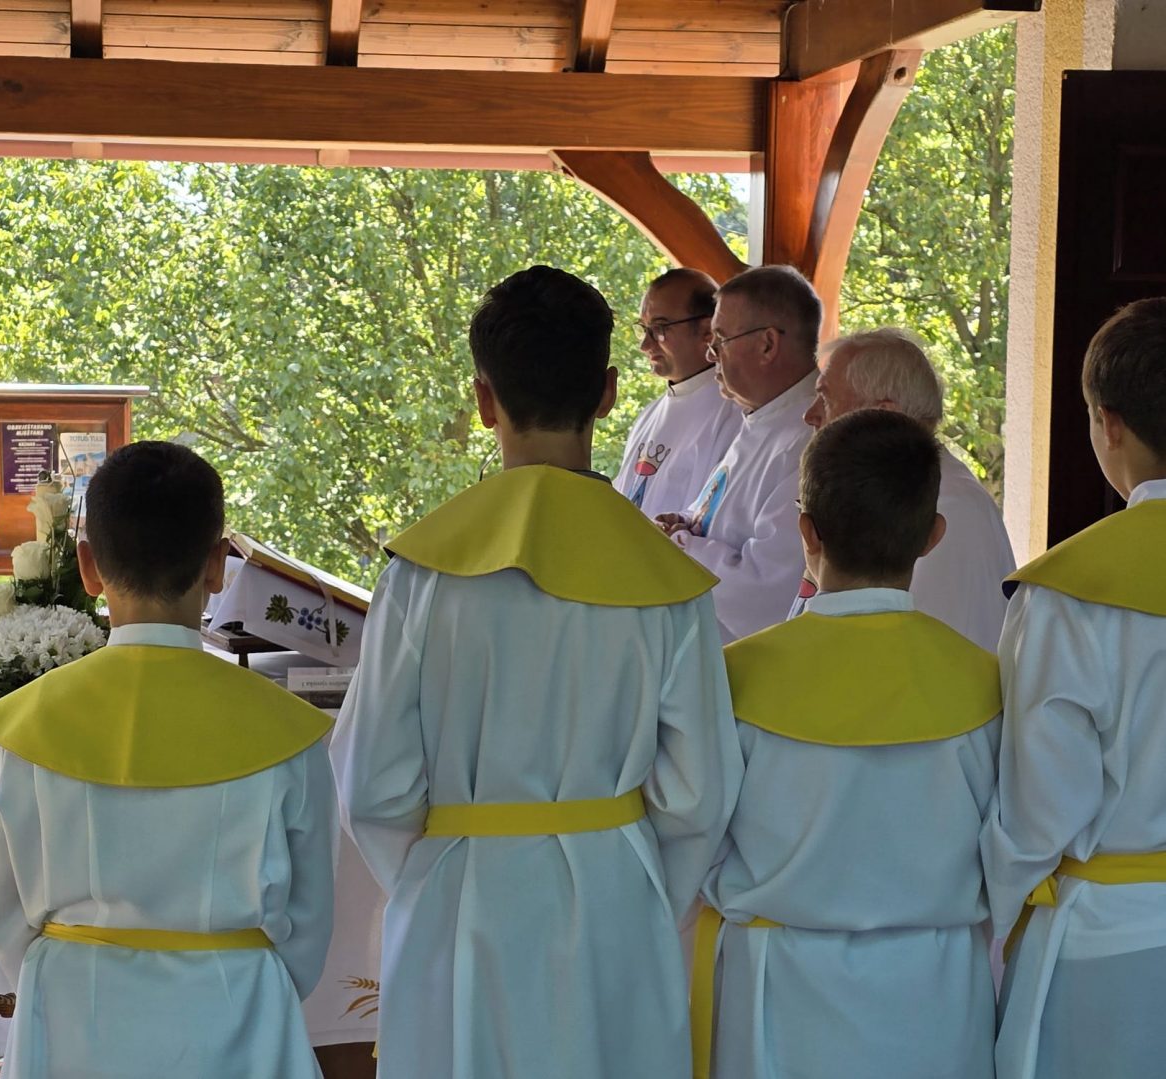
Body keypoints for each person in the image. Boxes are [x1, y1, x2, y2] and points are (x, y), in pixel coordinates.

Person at [331, 265, 742, 1079]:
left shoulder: (422, 573)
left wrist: (438, 874)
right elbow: (698, 791)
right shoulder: (666, 579)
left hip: (458, 902)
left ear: (484, 399)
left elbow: (371, 781)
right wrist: (633, 887)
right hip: (615, 902)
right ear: (608, 393)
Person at [0, 441, 335, 1079]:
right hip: (241, 1015)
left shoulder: (18, 728)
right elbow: (309, 920)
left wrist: (72, 967)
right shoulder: (289, 733)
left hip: (71, 1015)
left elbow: (3, 915)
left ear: (88, 567)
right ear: (218, 564)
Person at [701, 408, 1000, 1079]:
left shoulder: (734, 677)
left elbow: (695, 830)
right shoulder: (983, 682)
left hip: (778, 992)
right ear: (933, 535)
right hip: (936, 990)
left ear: (805, 530)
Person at [983, 297, 1166, 1079]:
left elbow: (1039, 807)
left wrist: (990, 913)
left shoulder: (1067, 592)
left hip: (1112, 938)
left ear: (1107, 424)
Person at [794, 327, 1016, 650]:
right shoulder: (894, 491)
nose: (809, 415)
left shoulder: (945, 504)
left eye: (825, 398)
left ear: (882, 414)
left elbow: (924, 655)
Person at [658, 264, 820, 643]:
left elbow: (767, 589)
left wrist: (679, 544)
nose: (711, 354)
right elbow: (722, 516)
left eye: (720, 340)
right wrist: (686, 520)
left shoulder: (809, 439)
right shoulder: (761, 417)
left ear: (767, 344)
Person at [614, 268, 742, 518]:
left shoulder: (735, 416)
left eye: (659, 329)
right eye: (643, 328)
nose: (644, 345)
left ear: (708, 331)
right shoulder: (649, 415)